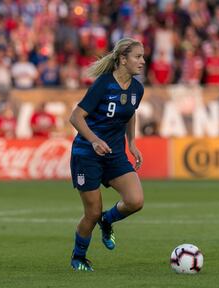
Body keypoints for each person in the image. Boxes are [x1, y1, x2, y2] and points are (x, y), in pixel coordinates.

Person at [69, 38, 145, 271]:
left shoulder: (137, 89)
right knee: (91, 213)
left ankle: (108, 220)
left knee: (135, 201)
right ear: (123, 59)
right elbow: (75, 117)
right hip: (87, 154)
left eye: (143, 57)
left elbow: (130, 113)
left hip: (114, 154)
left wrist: (131, 142)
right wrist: (94, 141)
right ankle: (78, 258)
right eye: (137, 57)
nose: (142, 61)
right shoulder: (103, 84)